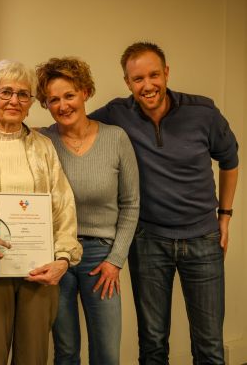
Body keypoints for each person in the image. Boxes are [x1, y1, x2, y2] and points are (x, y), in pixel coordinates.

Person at [89, 41, 239, 364]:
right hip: (148, 241)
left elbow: (230, 160)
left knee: (209, 345)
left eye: (154, 75)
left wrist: (225, 216)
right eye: (138, 79)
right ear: (128, 82)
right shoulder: (117, 113)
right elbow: (76, 127)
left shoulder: (203, 112)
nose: (148, 85)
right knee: (153, 344)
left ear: (166, 73)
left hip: (203, 239)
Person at [0, 59, 82, 365]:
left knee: (33, 356)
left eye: (23, 94)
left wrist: (63, 258)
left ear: (31, 103)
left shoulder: (44, 147)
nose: (14, 100)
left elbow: (62, 204)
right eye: (6, 92)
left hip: (38, 266)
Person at [35, 57, 140, 365]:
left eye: (69, 95)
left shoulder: (116, 138)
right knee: (65, 352)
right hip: (57, 255)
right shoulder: (43, 141)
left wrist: (115, 260)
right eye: (53, 99)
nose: (62, 105)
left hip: (101, 259)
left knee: (106, 354)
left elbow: (131, 204)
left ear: (85, 92)